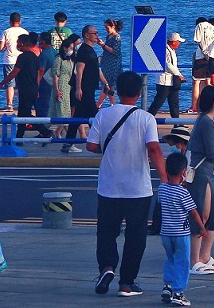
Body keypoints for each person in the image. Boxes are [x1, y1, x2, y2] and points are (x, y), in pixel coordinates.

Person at [86, 71, 165, 297]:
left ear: (118, 91)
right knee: (135, 236)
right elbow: (153, 149)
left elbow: (91, 146)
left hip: (108, 186)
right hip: (137, 188)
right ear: (139, 92)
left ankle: (107, 267)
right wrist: (165, 178)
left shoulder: (103, 114)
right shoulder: (146, 118)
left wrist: (110, 148)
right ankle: (127, 282)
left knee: (106, 232)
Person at [188, 85, 214, 275]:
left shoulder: (211, 120)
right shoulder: (205, 121)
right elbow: (211, 151)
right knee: (202, 215)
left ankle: (205, 256)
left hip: (209, 171)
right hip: (202, 172)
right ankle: (194, 260)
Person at [158, 151, 205, 307]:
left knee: (170, 259)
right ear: (184, 172)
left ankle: (168, 285)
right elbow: (193, 212)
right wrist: (202, 227)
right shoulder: (183, 192)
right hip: (181, 234)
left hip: (166, 233)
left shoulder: (162, 189)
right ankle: (178, 293)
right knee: (182, 262)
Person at [0, 32, 53, 142]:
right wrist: (37, 87)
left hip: (26, 89)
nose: (17, 45)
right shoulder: (34, 57)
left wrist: (2, 83)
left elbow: (14, 72)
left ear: (23, 44)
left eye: (18, 43)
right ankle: (19, 137)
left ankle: (44, 131)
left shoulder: (23, 57)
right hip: (32, 88)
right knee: (22, 113)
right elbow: (38, 73)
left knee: (25, 114)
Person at [68, 26, 110, 152]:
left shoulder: (91, 51)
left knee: (78, 117)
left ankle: (68, 143)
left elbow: (97, 69)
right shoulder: (84, 50)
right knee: (95, 116)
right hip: (84, 89)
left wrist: (105, 83)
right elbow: (79, 70)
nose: (97, 35)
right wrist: (78, 88)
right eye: (94, 33)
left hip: (90, 88)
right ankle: (102, 142)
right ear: (87, 35)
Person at [50, 34, 79, 152]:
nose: (72, 50)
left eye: (73, 48)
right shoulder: (59, 59)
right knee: (64, 112)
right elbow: (55, 76)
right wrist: (57, 90)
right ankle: (69, 141)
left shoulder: (71, 59)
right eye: (70, 48)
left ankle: (59, 133)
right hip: (62, 85)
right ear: (64, 48)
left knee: (68, 111)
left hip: (70, 86)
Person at [149, 32, 186, 118]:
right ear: (173, 42)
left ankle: (176, 121)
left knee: (174, 103)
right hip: (164, 81)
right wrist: (179, 74)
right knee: (159, 102)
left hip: (171, 81)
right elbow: (168, 65)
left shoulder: (171, 51)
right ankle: (148, 117)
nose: (179, 44)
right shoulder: (165, 51)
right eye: (178, 42)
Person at [0, 12, 28, 112]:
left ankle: (9, 105)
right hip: (22, 59)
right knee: (21, 83)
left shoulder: (6, 32)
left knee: (9, 83)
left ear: (10, 21)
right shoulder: (25, 32)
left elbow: (0, 47)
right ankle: (21, 104)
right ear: (20, 21)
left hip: (9, 60)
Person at [190, 17, 214, 114]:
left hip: (201, 59)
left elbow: (197, 40)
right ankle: (210, 105)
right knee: (209, 82)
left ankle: (194, 106)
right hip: (212, 59)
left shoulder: (200, 27)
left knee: (196, 82)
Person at [96, 19, 124, 108]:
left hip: (113, 65)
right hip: (106, 63)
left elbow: (115, 51)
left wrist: (103, 45)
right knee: (109, 85)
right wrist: (102, 45)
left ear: (113, 27)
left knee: (108, 85)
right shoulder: (109, 36)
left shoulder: (117, 37)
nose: (106, 30)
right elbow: (107, 49)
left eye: (107, 28)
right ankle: (112, 105)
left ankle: (98, 105)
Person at [34, 31, 56, 119]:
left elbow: (41, 71)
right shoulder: (54, 51)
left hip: (45, 83)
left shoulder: (44, 54)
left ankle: (42, 124)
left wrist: (36, 85)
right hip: (53, 81)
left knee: (42, 105)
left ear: (42, 42)